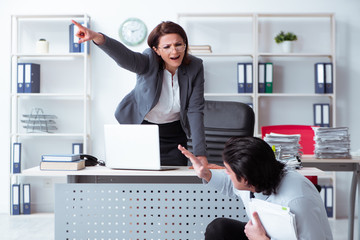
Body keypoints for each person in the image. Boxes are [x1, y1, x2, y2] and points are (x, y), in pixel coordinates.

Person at [72, 20, 207, 166]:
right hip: (141, 130)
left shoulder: (195, 66)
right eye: (166, 47)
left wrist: (200, 154)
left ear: (185, 45)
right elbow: (126, 58)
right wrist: (97, 37)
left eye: (178, 44)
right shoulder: (149, 61)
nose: (174, 51)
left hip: (174, 135)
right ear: (156, 50)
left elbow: (195, 110)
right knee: (138, 179)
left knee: (172, 183)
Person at [178, 136, 333, 240]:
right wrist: (206, 173)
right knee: (219, 229)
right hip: (266, 235)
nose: (225, 173)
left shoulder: (298, 200)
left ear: (246, 180)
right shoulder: (256, 176)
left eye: (228, 171)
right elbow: (229, 183)